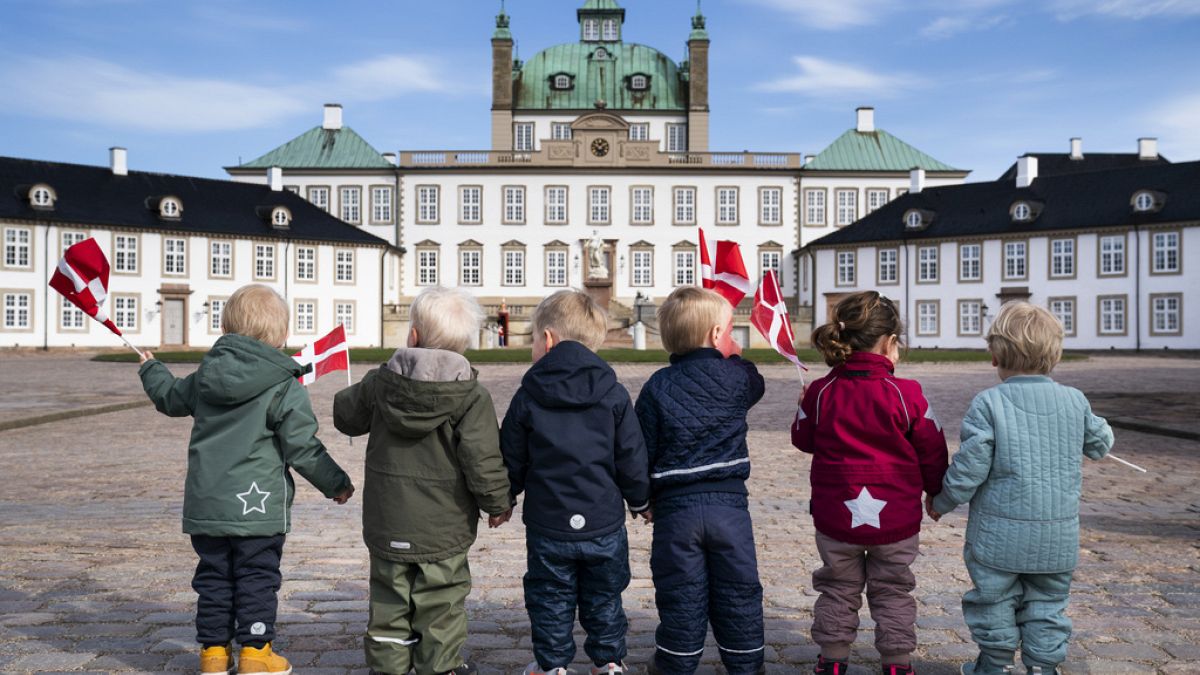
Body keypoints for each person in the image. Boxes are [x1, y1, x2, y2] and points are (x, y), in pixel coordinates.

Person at [138, 283, 355, 675]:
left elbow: (169, 398)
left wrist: (153, 368)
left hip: (209, 505)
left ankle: (214, 655)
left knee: (214, 577)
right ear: (280, 334)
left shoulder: (206, 375)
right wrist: (335, 482)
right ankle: (255, 652)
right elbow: (302, 446)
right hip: (257, 508)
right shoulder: (284, 384)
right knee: (256, 576)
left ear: (228, 326)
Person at [926, 302, 1114, 675]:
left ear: (995, 357)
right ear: (1055, 355)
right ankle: (1043, 668)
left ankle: (994, 665)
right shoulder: (1075, 400)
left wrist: (942, 500)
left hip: (998, 538)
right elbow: (1101, 444)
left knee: (993, 600)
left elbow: (970, 466)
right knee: (1048, 604)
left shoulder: (989, 403)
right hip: (1057, 536)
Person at [333, 286, 512, 675]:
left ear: (412, 336)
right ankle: (440, 666)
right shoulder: (471, 396)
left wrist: (366, 388)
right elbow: (482, 458)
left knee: (389, 599)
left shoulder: (381, 383)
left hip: (388, 519)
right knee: (442, 599)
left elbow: (345, 416)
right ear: (464, 345)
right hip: (444, 524)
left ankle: (389, 666)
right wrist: (497, 502)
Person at [792, 291, 948, 675]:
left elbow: (803, 439)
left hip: (836, 518)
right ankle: (897, 663)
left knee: (837, 587)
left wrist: (803, 408)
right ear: (890, 342)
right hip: (896, 519)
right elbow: (932, 448)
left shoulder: (821, 391)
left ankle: (832, 659)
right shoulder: (906, 393)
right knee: (893, 589)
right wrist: (936, 490)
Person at [500, 290, 650, 675]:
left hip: (549, 524)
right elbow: (630, 456)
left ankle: (552, 666)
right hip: (603, 521)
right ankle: (610, 662)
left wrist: (504, 498)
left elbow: (511, 457)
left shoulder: (527, 395)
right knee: (604, 595)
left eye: (533, 339)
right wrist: (640, 500)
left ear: (547, 340)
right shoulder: (614, 393)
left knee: (550, 595)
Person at [634, 287, 767, 675]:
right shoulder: (736, 378)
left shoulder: (657, 385)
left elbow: (642, 447)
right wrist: (736, 359)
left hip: (676, 509)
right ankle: (745, 664)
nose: (732, 340)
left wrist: (643, 499)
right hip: (729, 507)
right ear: (714, 336)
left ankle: (675, 662)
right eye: (728, 332)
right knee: (739, 589)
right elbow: (755, 382)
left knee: (680, 591)